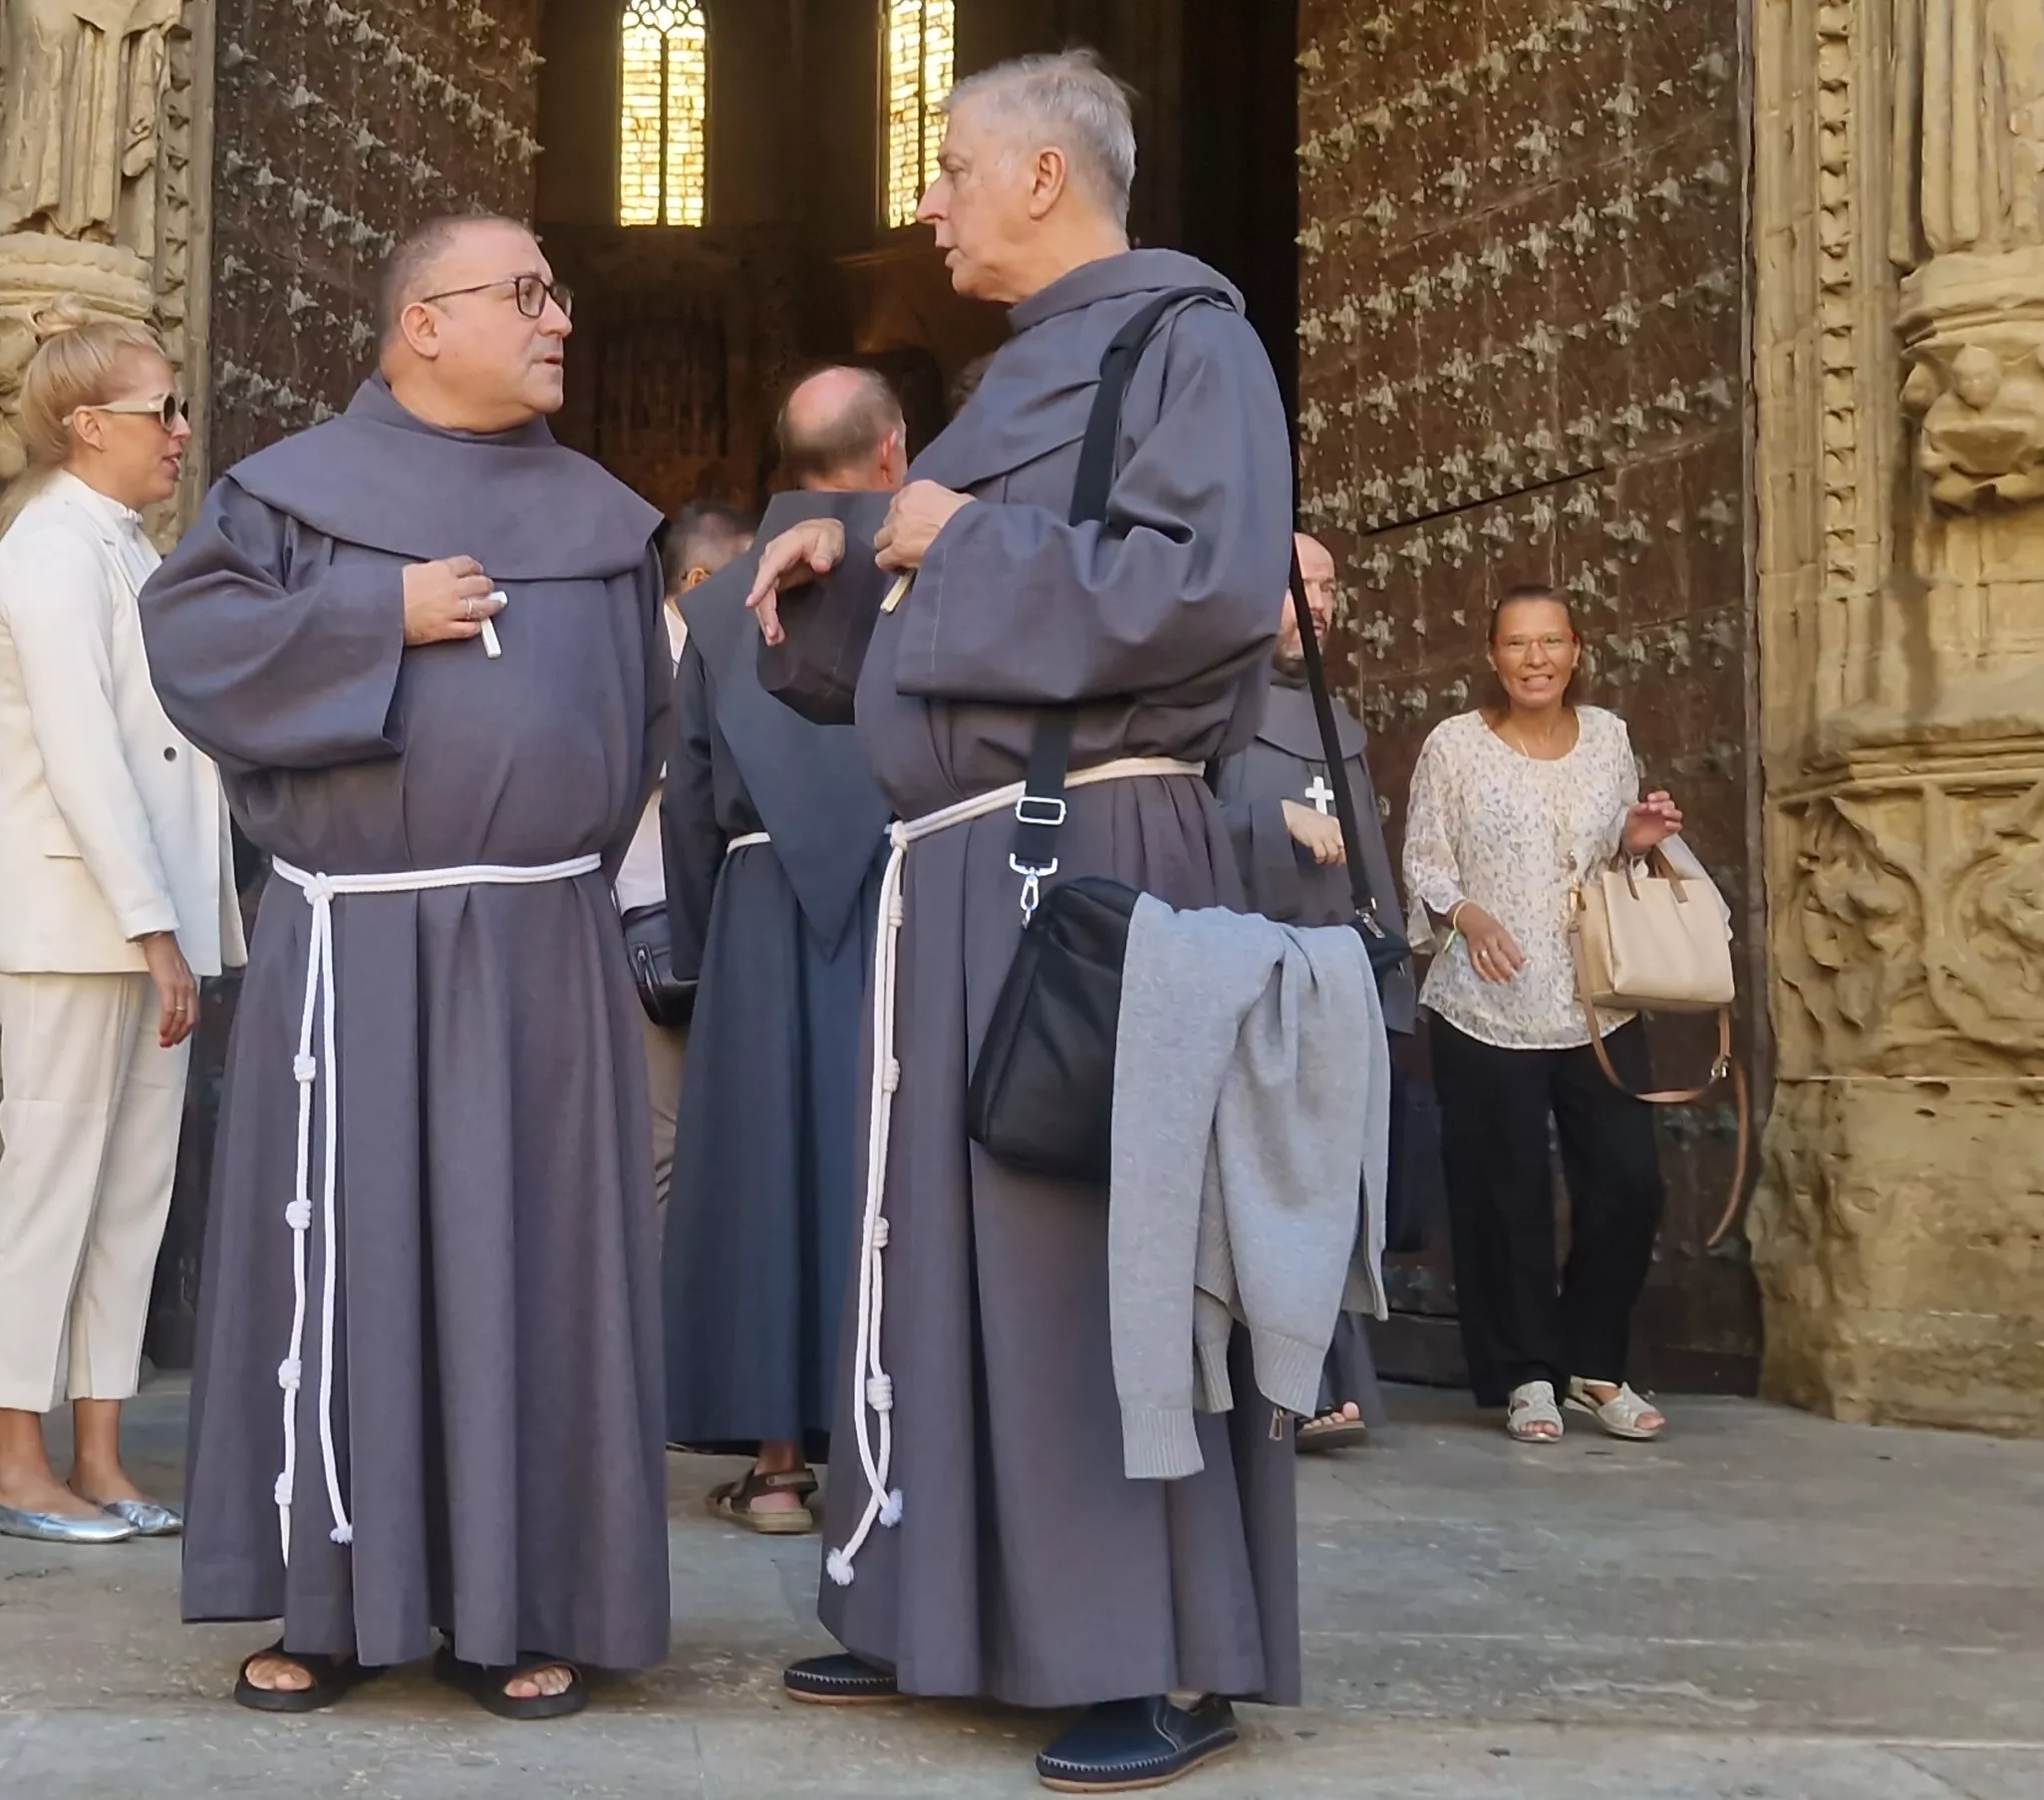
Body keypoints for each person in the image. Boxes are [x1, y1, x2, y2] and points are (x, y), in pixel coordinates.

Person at [743, 52, 1297, 1793]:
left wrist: (945, 545)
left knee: (1098, 1263)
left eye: (952, 167)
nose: (928, 200)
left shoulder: (1184, 340)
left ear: (1045, 178)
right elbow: (962, 578)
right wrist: (846, 569)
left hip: (1087, 857)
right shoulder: (1008, 382)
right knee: (954, 1259)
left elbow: (1200, 591)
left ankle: (1157, 1652)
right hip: (967, 870)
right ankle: (945, 1610)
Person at [140, 214, 671, 1720]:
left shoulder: (601, 519)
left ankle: (522, 1600)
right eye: (523, 294)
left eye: (554, 292)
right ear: (421, 323)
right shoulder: (289, 494)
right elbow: (193, 654)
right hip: (352, 940)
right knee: (343, 1258)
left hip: (538, 941)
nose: (556, 317)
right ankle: (333, 1598)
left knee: (537, 1264)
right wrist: (376, 612)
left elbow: (637, 731)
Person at [0, 321, 243, 1545]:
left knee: (131, 1194)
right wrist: (154, 931)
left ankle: (101, 1452)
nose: (181, 432)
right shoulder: (49, 554)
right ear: (87, 425)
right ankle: (11, 1462)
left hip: (143, 923)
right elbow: (83, 760)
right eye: (161, 409)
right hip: (78, 924)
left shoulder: (123, 548)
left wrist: (182, 922)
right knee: (50, 1185)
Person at [662, 368, 905, 1534]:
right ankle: (895, 1449)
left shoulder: (715, 609)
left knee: (768, 1173)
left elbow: (690, 803)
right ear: (892, 456)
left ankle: (774, 1471)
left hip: (760, 902)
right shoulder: (932, 570)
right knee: (892, 1168)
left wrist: (709, 957)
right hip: (915, 894)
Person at [1400, 583, 1683, 1447]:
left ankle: (1596, 1366)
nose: (1536, 659)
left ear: (1576, 649)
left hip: (1595, 1001)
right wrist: (1465, 914)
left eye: (1551, 641)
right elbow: (1422, 858)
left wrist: (1635, 841)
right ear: (1492, 656)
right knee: (1505, 1194)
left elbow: (1608, 862)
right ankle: (1526, 1373)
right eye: (1518, 644)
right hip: (1485, 1004)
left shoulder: (1609, 741)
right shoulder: (1453, 746)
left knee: (1629, 1184)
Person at [1208, 532, 1412, 1451]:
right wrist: (1264, 819)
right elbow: (1164, 824)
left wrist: (1393, 981)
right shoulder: (1206, 706)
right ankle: (1277, 1389)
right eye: (1299, 586)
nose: (1318, 603)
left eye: (1327, 586)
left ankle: (1335, 1382)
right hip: (1246, 978)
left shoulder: (1338, 721)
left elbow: (1366, 859)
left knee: (1326, 1184)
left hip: (1333, 982)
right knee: (1263, 1186)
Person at [618, 497, 755, 1222]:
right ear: (699, 583)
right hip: (650, 937)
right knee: (664, 1148)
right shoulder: (638, 662)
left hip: (721, 927)